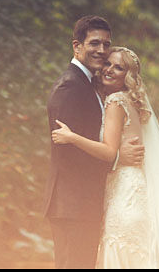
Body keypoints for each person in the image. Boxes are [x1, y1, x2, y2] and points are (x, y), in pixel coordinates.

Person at [52, 46, 159, 269]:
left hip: (125, 197)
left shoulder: (115, 102)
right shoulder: (131, 102)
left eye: (118, 67)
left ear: (127, 76)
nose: (109, 69)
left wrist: (72, 137)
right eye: (108, 64)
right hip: (133, 190)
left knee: (121, 254)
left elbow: (110, 152)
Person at [44, 16, 145, 269]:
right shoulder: (70, 87)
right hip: (73, 204)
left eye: (106, 44)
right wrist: (117, 156)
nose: (101, 50)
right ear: (77, 46)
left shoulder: (94, 86)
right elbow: (67, 153)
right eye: (94, 43)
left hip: (86, 203)